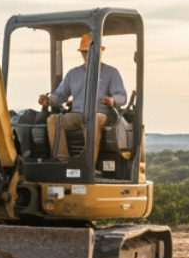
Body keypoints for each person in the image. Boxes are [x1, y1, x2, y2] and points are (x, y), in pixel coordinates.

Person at [37, 32, 127, 162]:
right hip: (78, 114)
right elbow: (60, 95)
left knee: (92, 119)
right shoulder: (73, 74)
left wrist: (112, 100)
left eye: (91, 52)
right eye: (85, 53)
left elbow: (122, 97)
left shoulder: (111, 73)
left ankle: (89, 164)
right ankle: (62, 159)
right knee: (53, 120)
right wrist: (49, 100)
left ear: (101, 52)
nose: (88, 56)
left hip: (100, 114)